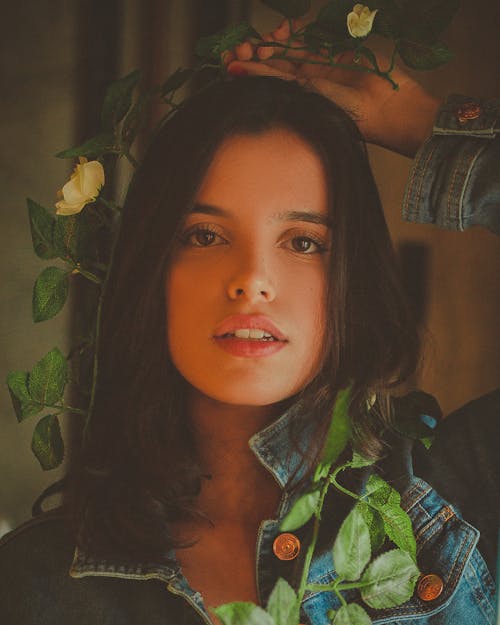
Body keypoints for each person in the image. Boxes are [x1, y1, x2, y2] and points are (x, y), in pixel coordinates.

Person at [0, 19, 498, 625]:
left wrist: (428, 127)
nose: (253, 278)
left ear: (353, 281)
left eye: (305, 242)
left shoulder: (457, 497)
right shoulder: (38, 581)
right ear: (151, 271)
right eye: (205, 235)